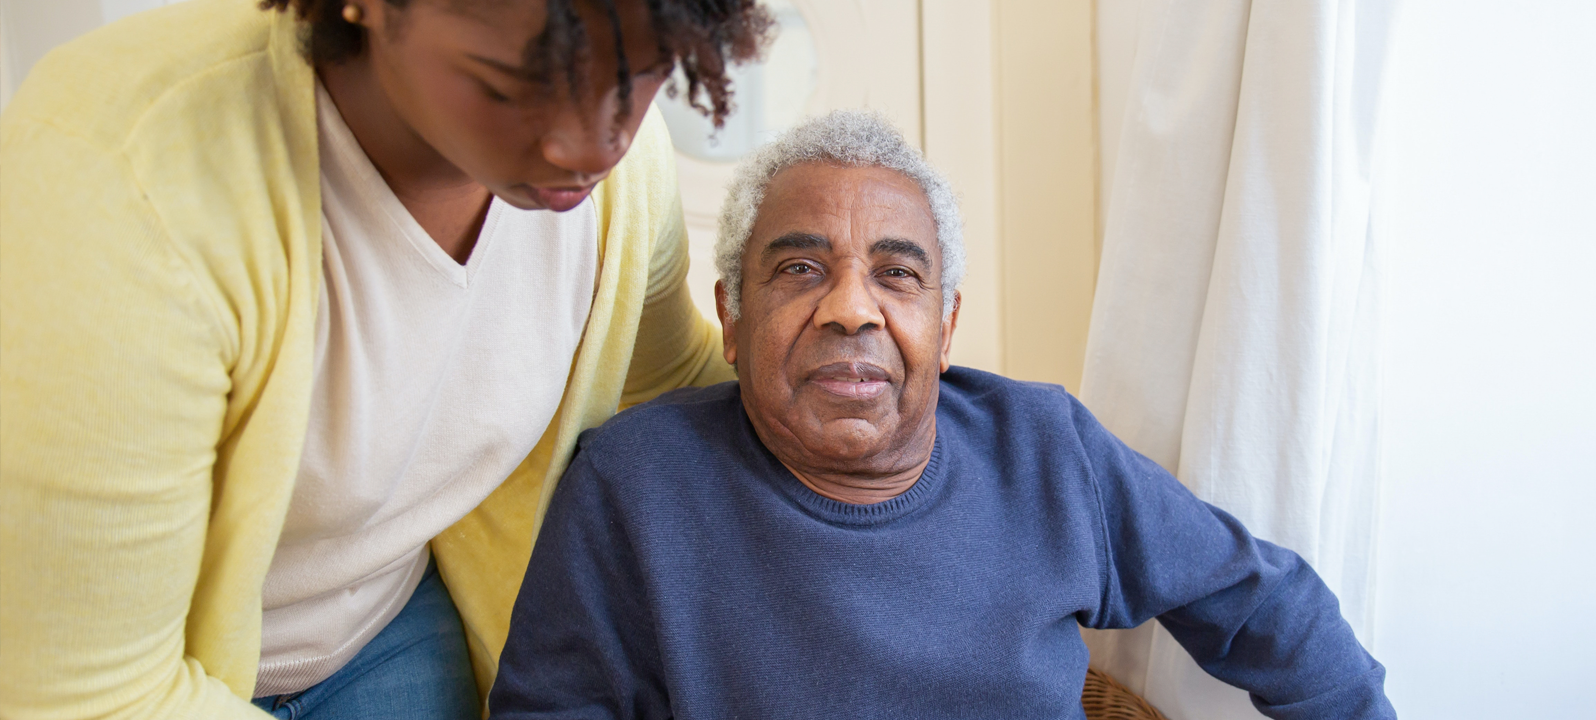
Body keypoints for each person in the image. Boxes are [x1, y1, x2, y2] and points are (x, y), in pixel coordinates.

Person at [489, 110, 1397, 719]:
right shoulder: (634, 483)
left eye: (897, 273)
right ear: (730, 316)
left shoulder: (1045, 447)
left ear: (947, 323)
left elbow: (1263, 606)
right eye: (800, 269)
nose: (852, 309)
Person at [0, 0, 770, 718]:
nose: (593, 144)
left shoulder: (622, 189)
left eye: (640, 75)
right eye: (509, 86)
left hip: (388, 619)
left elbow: (669, 383)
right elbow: (91, 694)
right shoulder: (128, 186)